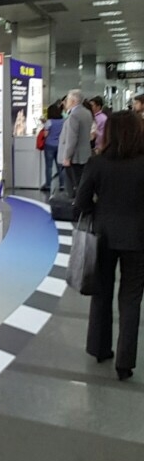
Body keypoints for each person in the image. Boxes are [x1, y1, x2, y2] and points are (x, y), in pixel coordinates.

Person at [75, 110, 144, 381]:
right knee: (131, 298)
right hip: (138, 238)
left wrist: (99, 211)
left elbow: (81, 202)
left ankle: (100, 348)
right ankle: (125, 363)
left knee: (101, 292)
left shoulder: (97, 163)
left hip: (102, 235)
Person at [57, 89, 93, 197]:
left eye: (67, 100)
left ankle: (74, 202)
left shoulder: (74, 115)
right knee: (81, 182)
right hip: (84, 154)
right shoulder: (87, 113)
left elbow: (72, 138)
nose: (65, 102)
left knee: (73, 184)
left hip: (74, 156)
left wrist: (67, 157)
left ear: (73, 101)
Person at [40, 103, 64, 192]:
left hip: (49, 145)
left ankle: (48, 185)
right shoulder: (63, 121)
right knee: (60, 166)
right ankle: (62, 184)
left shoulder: (49, 122)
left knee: (49, 166)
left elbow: (45, 135)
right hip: (59, 145)